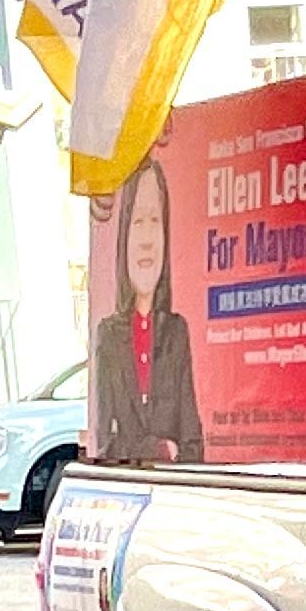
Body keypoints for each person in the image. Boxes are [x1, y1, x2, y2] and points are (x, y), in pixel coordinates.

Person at [91, 160, 202, 464]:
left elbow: (192, 439)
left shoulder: (176, 331)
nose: (146, 240)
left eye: (155, 220)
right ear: (123, 236)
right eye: (137, 221)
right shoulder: (108, 335)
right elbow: (102, 441)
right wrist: (155, 446)